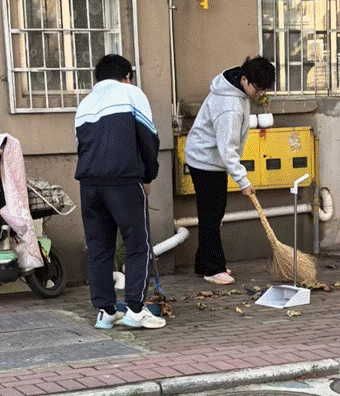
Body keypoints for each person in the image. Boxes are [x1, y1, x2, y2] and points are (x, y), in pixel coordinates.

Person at [75, 54, 166, 329]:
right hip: (124, 181)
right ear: (127, 76)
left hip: (89, 184)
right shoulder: (131, 94)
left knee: (99, 248)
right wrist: (148, 176)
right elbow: (149, 138)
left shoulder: (84, 104)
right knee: (137, 245)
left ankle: (105, 312)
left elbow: (81, 145)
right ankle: (135, 310)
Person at [185, 56, 275, 285]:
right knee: (211, 215)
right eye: (257, 88)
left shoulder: (236, 89)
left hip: (209, 158)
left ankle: (204, 263)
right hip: (205, 160)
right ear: (244, 79)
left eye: (263, 90)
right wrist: (243, 181)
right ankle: (213, 269)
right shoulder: (230, 106)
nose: (259, 94)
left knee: (212, 213)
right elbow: (227, 149)